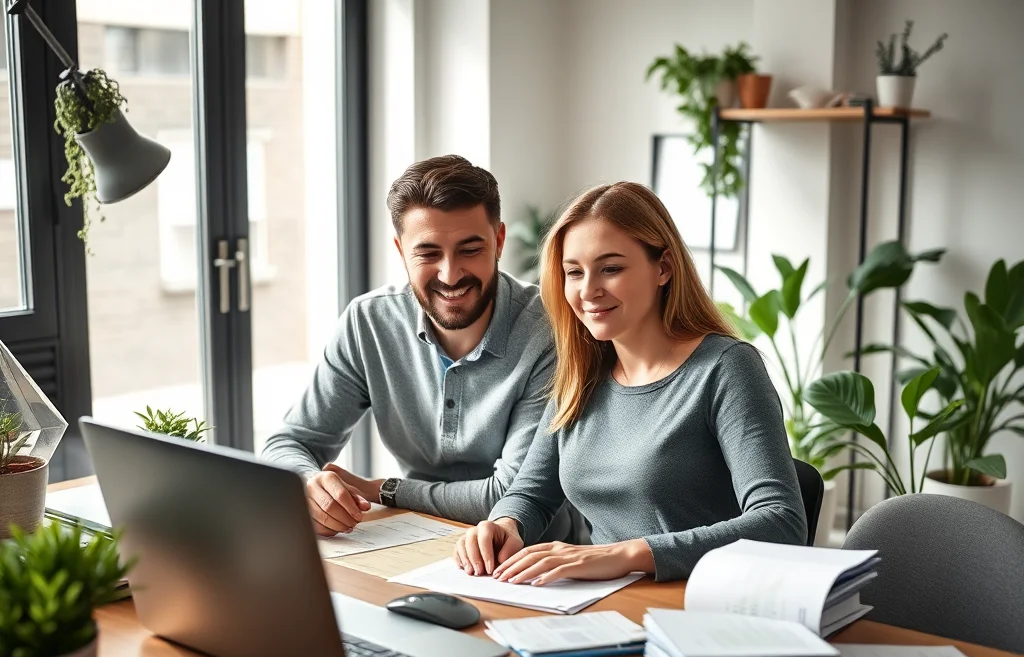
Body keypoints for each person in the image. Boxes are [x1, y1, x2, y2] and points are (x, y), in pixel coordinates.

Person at [453, 181, 806, 583]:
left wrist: (629, 554)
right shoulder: (581, 374)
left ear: (664, 268)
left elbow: (781, 525)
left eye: (611, 268)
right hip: (603, 600)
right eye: (574, 272)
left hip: (701, 601)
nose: (588, 291)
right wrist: (504, 524)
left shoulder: (725, 367)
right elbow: (531, 493)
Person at [262, 155, 576, 540]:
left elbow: (510, 495)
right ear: (400, 250)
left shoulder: (552, 330)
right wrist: (310, 483)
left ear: (498, 242)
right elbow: (290, 442)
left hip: (532, 556)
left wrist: (383, 491)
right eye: (428, 253)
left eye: (470, 249)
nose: (450, 273)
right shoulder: (369, 322)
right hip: (409, 540)